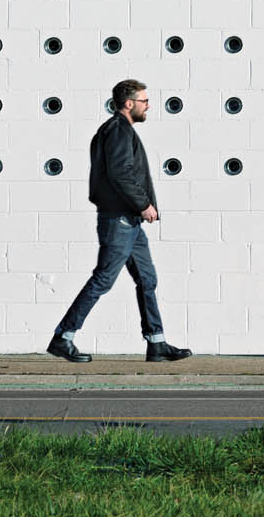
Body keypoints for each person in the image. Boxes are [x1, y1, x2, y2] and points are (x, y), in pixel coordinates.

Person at [47, 79, 192, 365]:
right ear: (129, 103)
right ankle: (63, 337)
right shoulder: (117, 131)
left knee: (147, 279)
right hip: (120, 220)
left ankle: (157, 342)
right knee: (103, 279)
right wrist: (144, 204)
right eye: (144, 101)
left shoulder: (120, 130)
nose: (148, 106)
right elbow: (121, 174)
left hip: (130, 222)